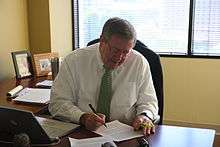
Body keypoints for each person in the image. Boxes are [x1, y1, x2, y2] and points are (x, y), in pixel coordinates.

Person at [49, 17, 159, 136]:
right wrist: (82, 117)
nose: (119, 57)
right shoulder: (74, 61)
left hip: (127, 133)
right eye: (115, 50)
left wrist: (144, 115)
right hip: (83, 132)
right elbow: (58, 102)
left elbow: (149, 101)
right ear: (102, 41)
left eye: (126, 52)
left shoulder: (139, 63)